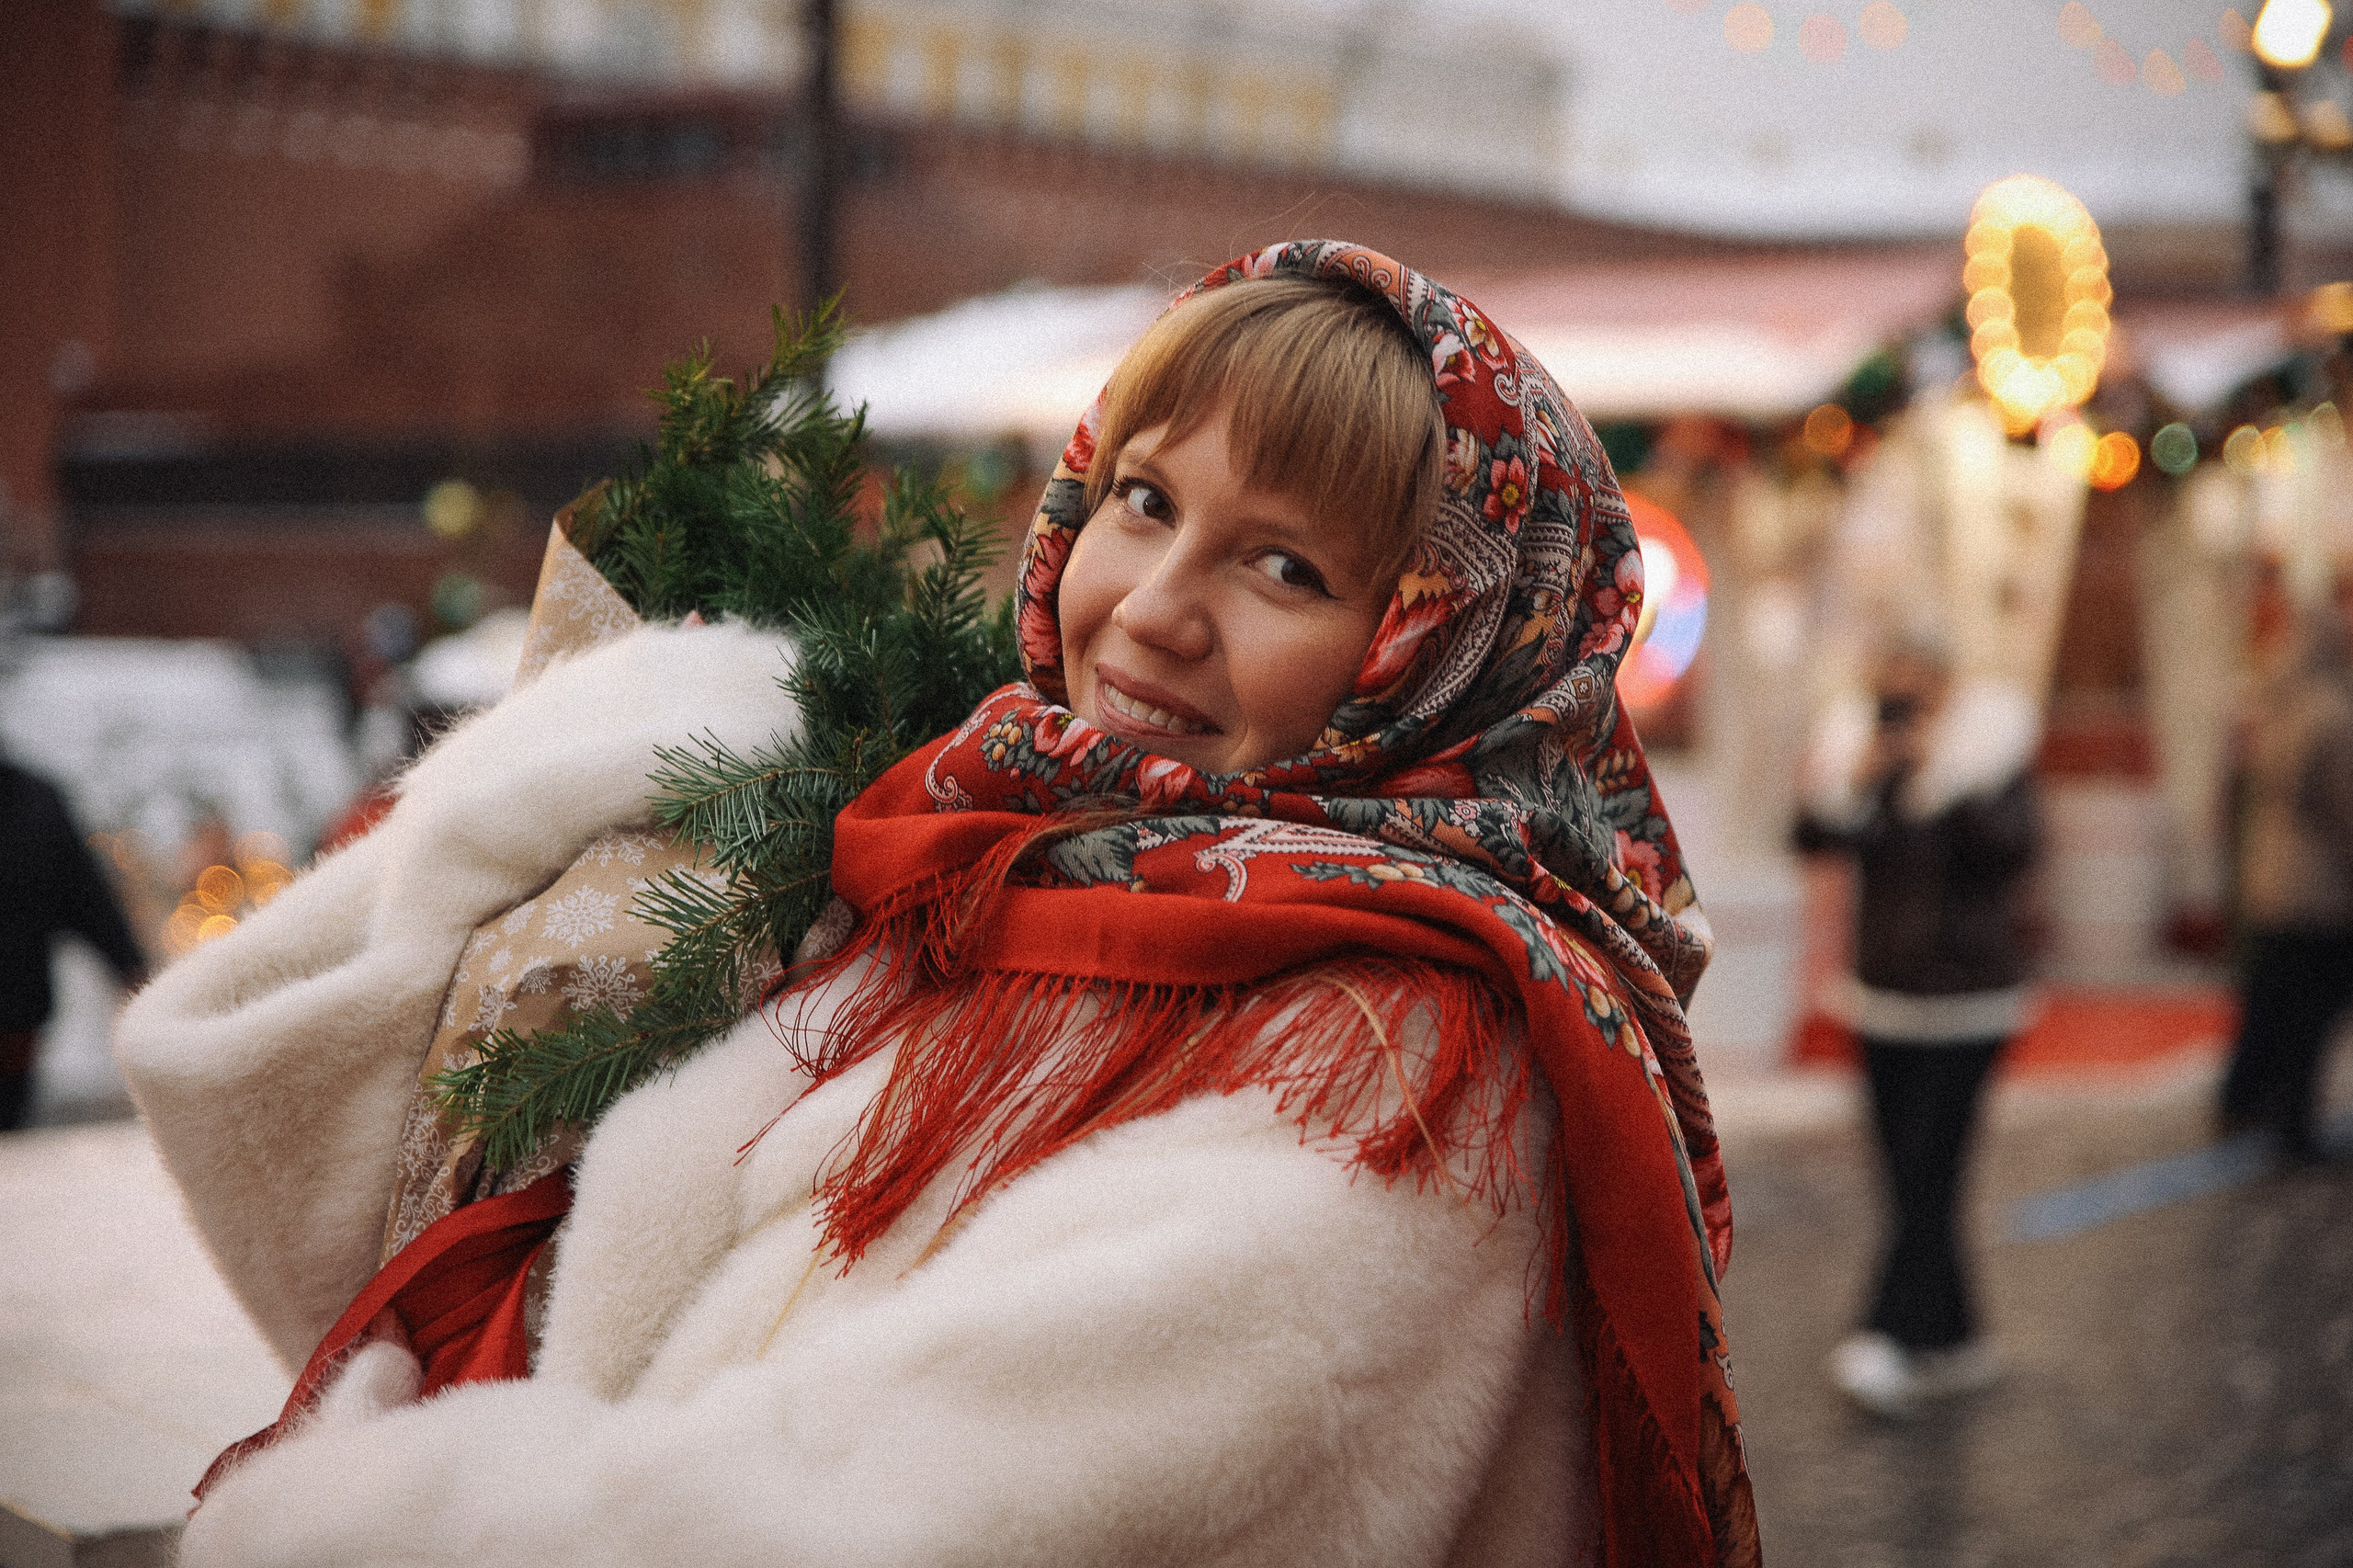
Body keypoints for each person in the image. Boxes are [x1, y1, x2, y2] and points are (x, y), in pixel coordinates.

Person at [119, 242, 1758, 1566]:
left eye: (1288, 570)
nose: (1157, 609)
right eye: (1146, 500)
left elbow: (879, 1520)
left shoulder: (1401, 1063)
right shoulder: (986, 861)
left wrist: (346, 1512)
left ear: (1446, 646)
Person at [1794, 642, 2040, 1419]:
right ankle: (1957, 1337)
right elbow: (1810, 839)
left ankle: (1886, 1334)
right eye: (1890, 695)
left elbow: (2013, 851)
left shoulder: (1990, 754)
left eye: (1918, 694)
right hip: (1884, 998)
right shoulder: (1868, 761)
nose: (1905, 710)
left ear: (1948, 690)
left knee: (1930, 1172)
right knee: (1908, 1177)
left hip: (1969, 1002)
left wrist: (1947, 780)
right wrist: (1858, 781)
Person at [2217, 602, 2353, 1163]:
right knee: (2309, 1012)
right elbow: (2343, 807)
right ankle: (2291, 1124)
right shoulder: (2332, 712)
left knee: (2270, 1001)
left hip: (2270, 875)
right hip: (2319, 886)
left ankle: (2243, 1097)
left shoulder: (2273, 703)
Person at [0, 758, 147, 1129]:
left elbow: (86, 897)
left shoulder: (30, 801)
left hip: (13, 1026)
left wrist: (132, 970)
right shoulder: (32, 799)